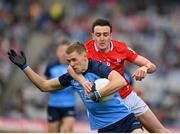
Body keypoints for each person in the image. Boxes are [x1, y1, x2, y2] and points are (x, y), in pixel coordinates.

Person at [8, 42, 143, 133]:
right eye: (68, 61)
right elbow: (44, 85)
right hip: (105, 128)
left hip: (126, 119)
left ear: (85, 56)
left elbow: (121, 81)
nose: (71, 64)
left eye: (74, 60)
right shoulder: (71, 76)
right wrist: (24, 67)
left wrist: (98, 93)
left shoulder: (97, 67)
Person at [67, 18, 170, 133]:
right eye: (98, 35)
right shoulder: (86, 50)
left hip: (126, 95)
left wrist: (144, 68)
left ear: (111, 35)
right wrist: (83, 82)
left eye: (105, 34)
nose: (101, 38)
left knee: (160, 130)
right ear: (93, 36)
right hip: (104, 103)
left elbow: (152, 66)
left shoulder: (121, 48)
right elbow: (70, 68)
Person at [44, 40, 76, 132]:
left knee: (67, 130)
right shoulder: (50, 66)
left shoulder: (74, 65)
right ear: (57, 52)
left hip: (69, 104)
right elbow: (45, 83)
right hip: (54, 105)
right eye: (61, 50)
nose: (63, 53)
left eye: (66, 51)